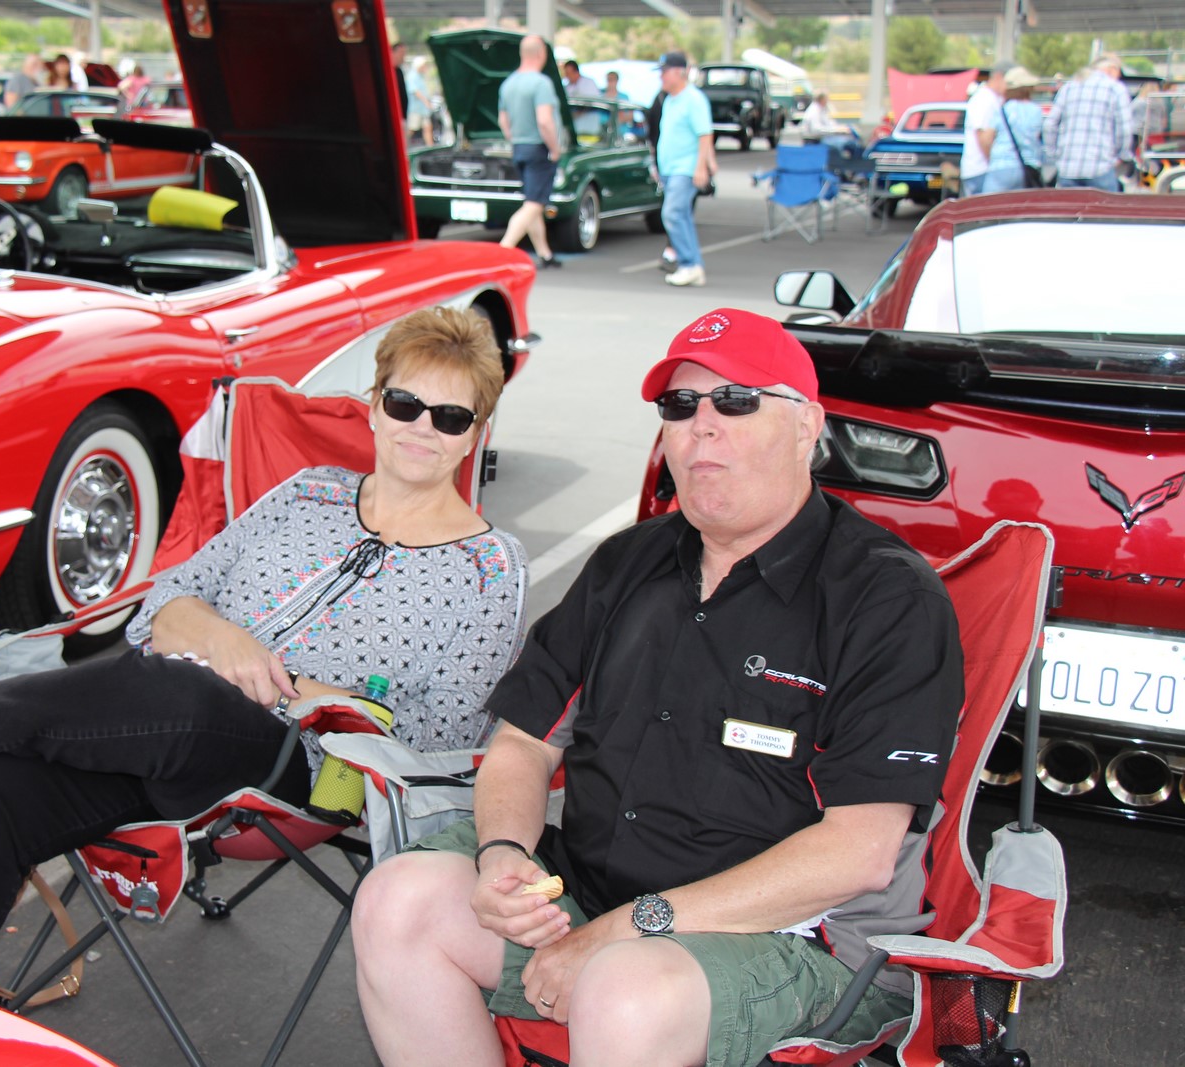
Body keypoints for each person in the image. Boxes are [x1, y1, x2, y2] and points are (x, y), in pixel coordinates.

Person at [0, 307, 530, 990]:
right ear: (373, 406)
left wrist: (297, 691)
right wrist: (220, 637)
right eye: (404, 403)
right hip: (150, 730)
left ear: (476, 433)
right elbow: (163, 602)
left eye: (450, 416)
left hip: (302, 771)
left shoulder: (488, 569)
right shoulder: (309, 493)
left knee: (187, 692)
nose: (421, 428)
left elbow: (446, 742)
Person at [353, 307, 964, 1067]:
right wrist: (504, 854)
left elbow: (858, 854)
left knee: (624, 990)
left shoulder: (886, 600)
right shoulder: (627, 563)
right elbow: (522, 741)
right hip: (591, 895)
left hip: (796, 937)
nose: (701, 426)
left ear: (807, 426)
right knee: (399, 904)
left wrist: (629, 927)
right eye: (680, 405)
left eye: (736, 400)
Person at [497, 35, 563, 269]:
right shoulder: (541, 83)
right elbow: (545, 121)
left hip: (519, 148)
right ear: (541, 54)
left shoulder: (508, 83)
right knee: (533, 204)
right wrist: (555, 148)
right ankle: (503, 250)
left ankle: (545, 253)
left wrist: (514, 138)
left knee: (533, 202)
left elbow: (503, 121)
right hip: (539, 149)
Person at [655, 52, 717, 288]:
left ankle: (689, 263)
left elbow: (705, 134)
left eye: (664, 72)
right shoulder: (670, 100)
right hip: (670, 169)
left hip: (685, 168)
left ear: (679, 72)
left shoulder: (693, 99)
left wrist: (702, 167)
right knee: (681, 216)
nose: (661, 77)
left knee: (672, 214)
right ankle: (693, 266)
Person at [1044, 54, 1134, 192]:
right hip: (1101, 167)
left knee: (1068, 205)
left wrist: (1054, 154)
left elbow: (1049, 125)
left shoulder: (1068, 88)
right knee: (1105, 206)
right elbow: (1124, 130)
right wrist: (1122, 156)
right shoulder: (1116, 89)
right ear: (1112, 70)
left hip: (1068, 169)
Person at [981, 67, 1045, 194]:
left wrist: (990, 158)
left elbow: (987, 139)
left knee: (990, 203)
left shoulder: (1003, 110)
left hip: (1002, 166)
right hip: (1028, 168)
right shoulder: (1036, 111)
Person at [961, 67, 1006, 196]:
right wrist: (994, 165)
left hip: (981, 170)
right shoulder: (985, 99)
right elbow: (983, 137)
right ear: (998, 77)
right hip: (981, 170)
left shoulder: (990, 98)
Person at [406, 56, 433, 146]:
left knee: (427, 127)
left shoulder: (421, 76)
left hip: (423, 109)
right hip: (416, 108)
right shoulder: (412, 76)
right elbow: (415, 91)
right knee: (412, 129)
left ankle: (430, 146)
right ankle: (402, 144)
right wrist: (426, 102)